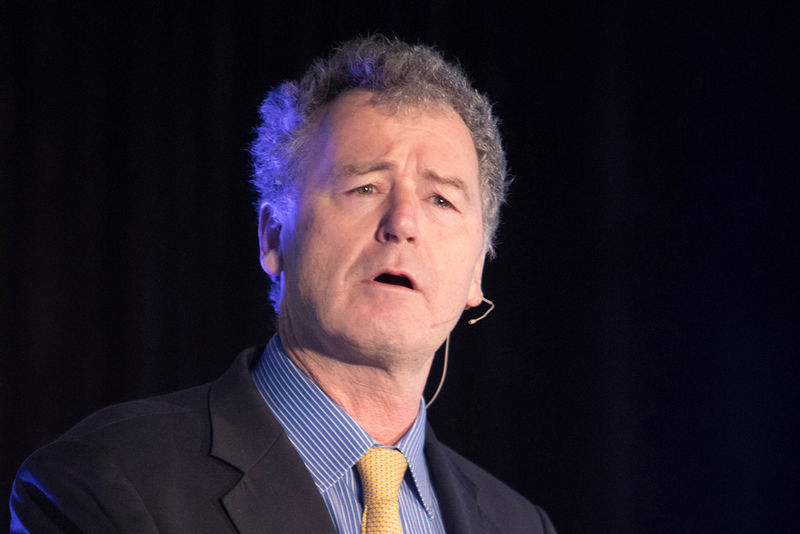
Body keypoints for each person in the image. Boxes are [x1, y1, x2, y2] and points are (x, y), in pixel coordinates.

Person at [10, 36, 555, 533]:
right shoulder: (110, 479)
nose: (403, 223)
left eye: (441, 199)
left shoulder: (521, 524)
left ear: (476, 274)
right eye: (365, 187)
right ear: (273, 236)